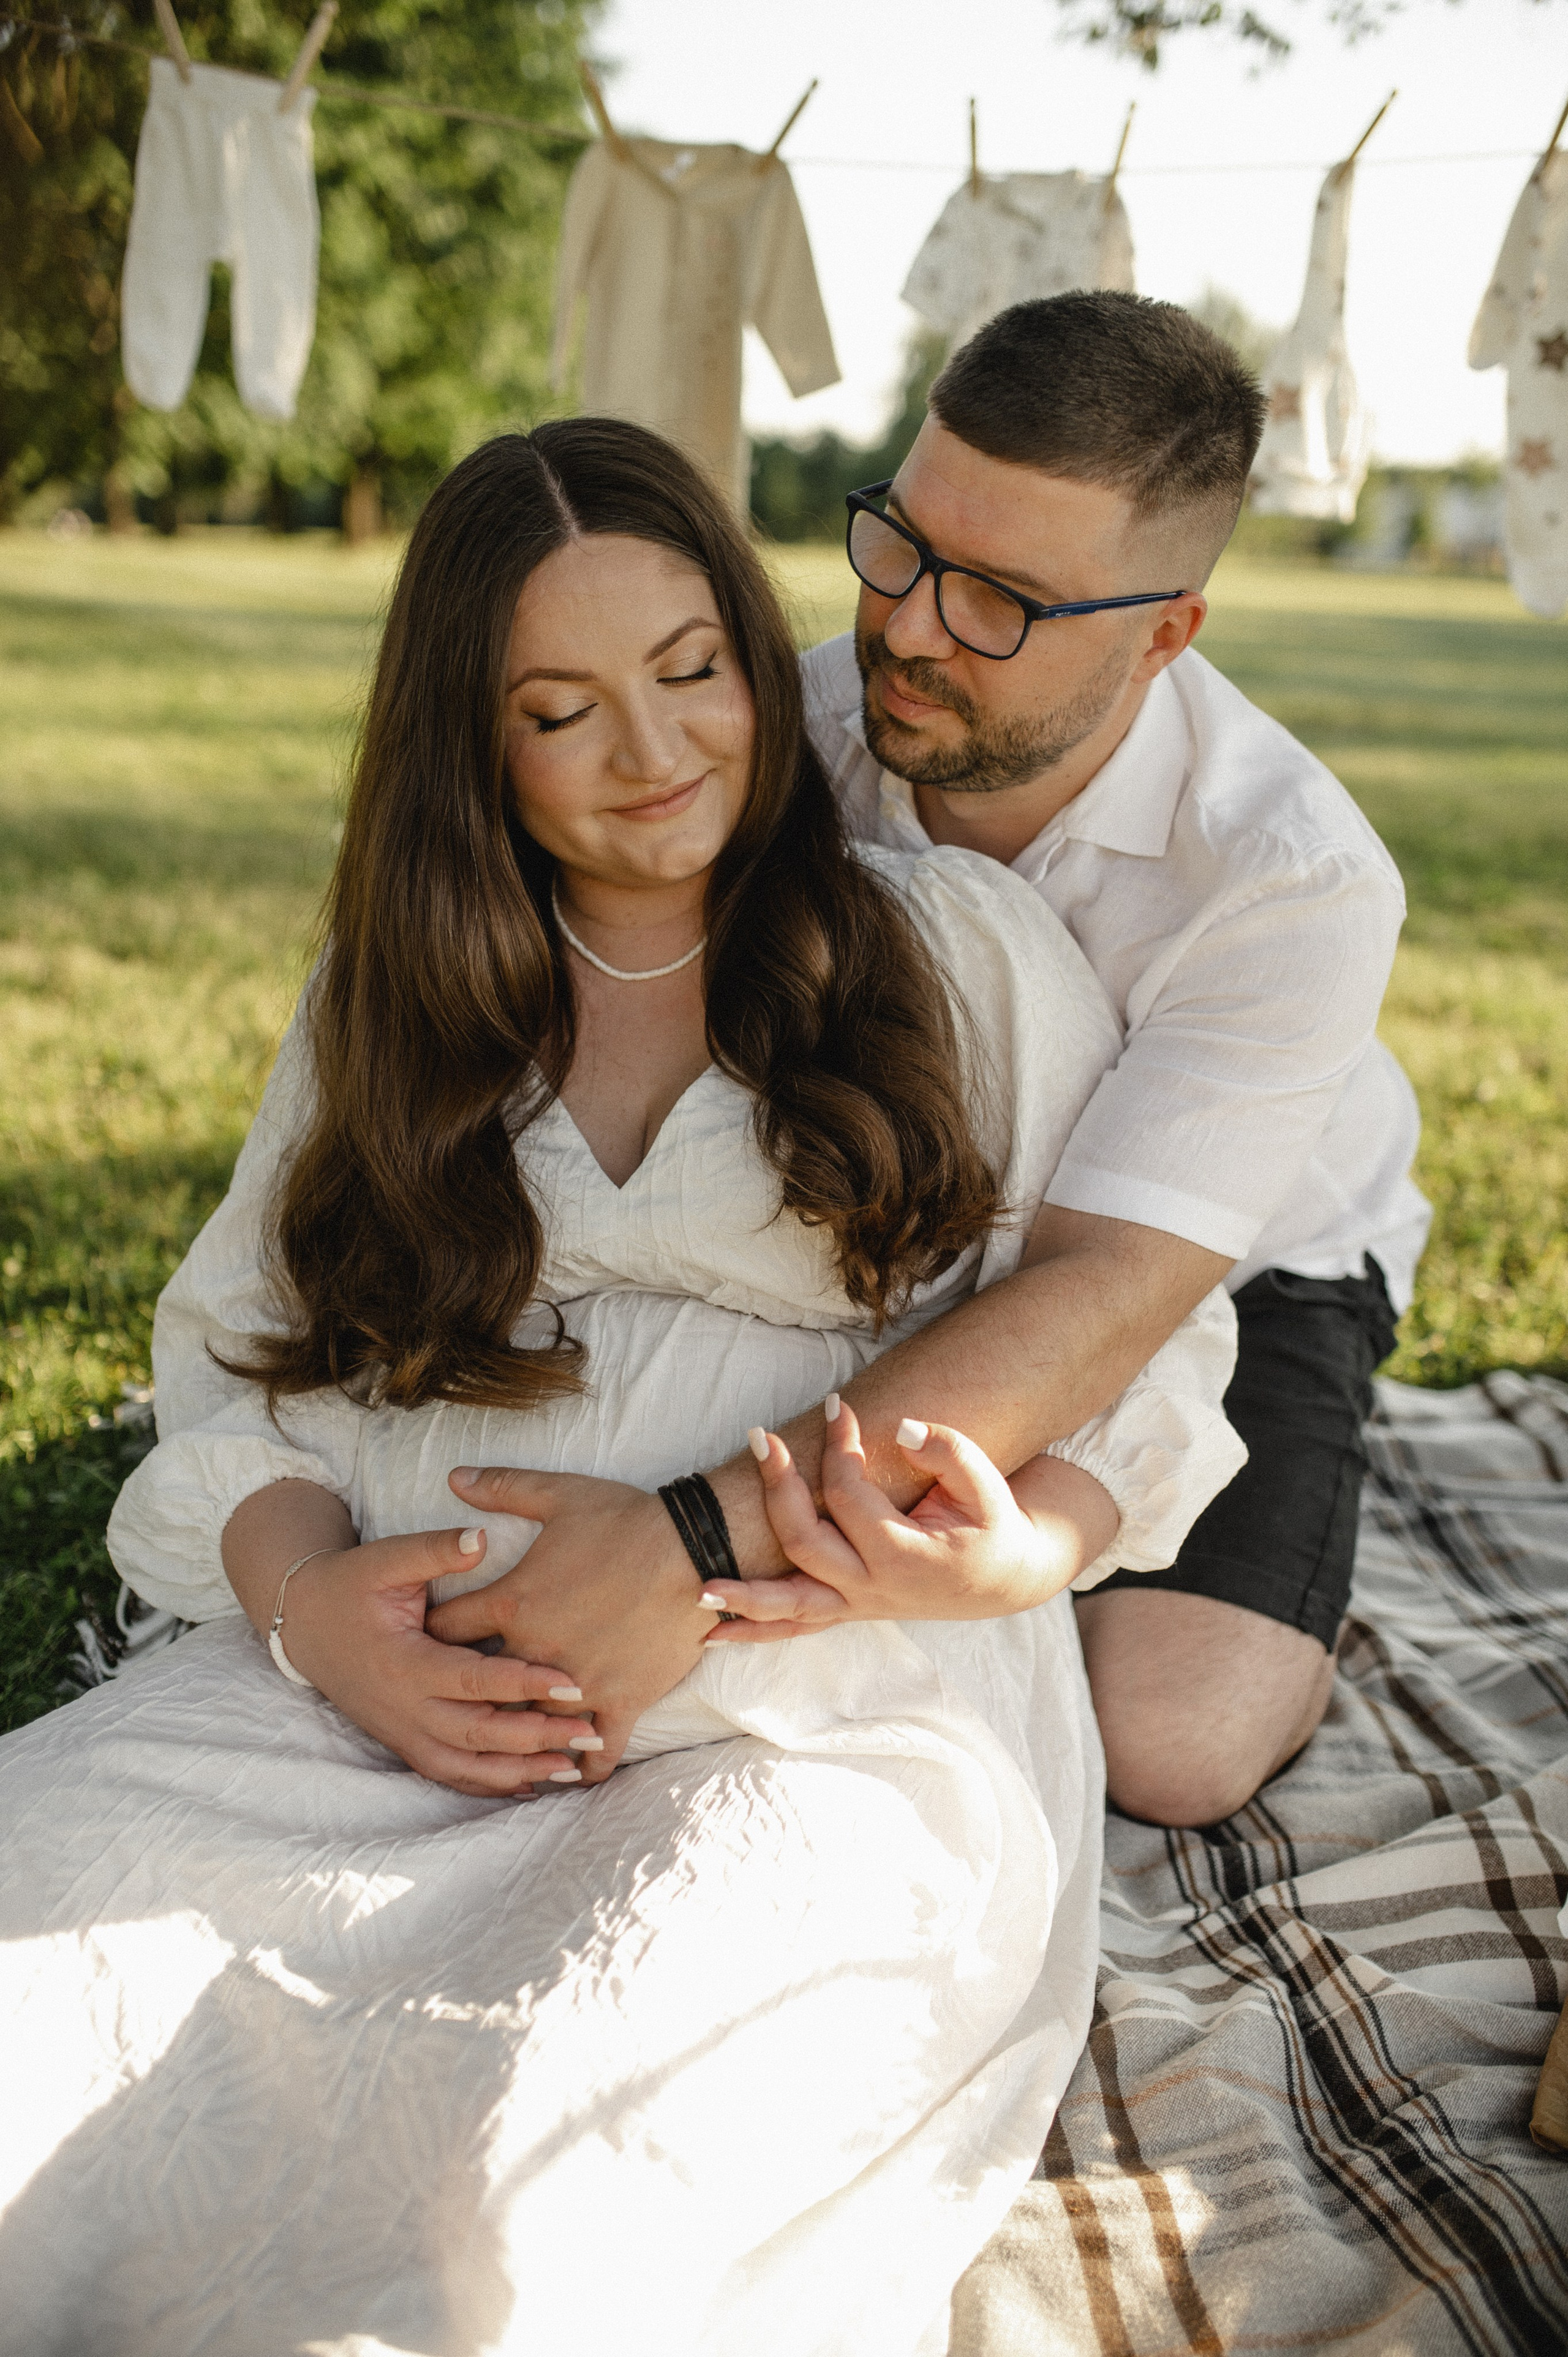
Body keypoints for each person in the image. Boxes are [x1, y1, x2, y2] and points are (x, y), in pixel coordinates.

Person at [0, 420, 1243, 2354]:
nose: (652, 753)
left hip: (813, 1704)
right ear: (471, 744)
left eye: (692, 673)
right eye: (561, 710)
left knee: (547, 2131)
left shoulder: (950, 951)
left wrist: (1037, 1550)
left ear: (755, 659)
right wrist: (315, 1613)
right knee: (41, 1948)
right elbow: (239, 1363)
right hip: (395, 1687)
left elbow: (1133, 1338)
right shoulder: (395, 996)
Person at [457, 292, 1428, 1831]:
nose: (908, 627)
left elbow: (1105, 1289)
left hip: (1234, 1274)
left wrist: (699, 1539)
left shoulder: (1287, 878)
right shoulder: (778, 732)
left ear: (1163, 634)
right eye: (900, 544)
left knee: (1167, 1740)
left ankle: (1295, 1545)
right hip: (900, 1225)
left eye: (1000, 601)